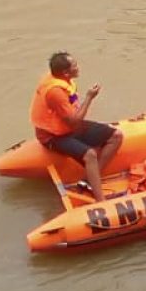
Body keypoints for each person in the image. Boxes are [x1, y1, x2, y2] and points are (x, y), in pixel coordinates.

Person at [30, 52, 124, 202]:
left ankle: (87, 181)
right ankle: (102, 201)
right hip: (53, 135)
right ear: (66, 73)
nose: (78, 67)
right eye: (75, 66)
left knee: (116, 136)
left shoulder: (59, 78)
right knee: (90, 155)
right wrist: (89, 97)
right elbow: (73, 121)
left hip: (67, 126)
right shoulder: (55, 93)